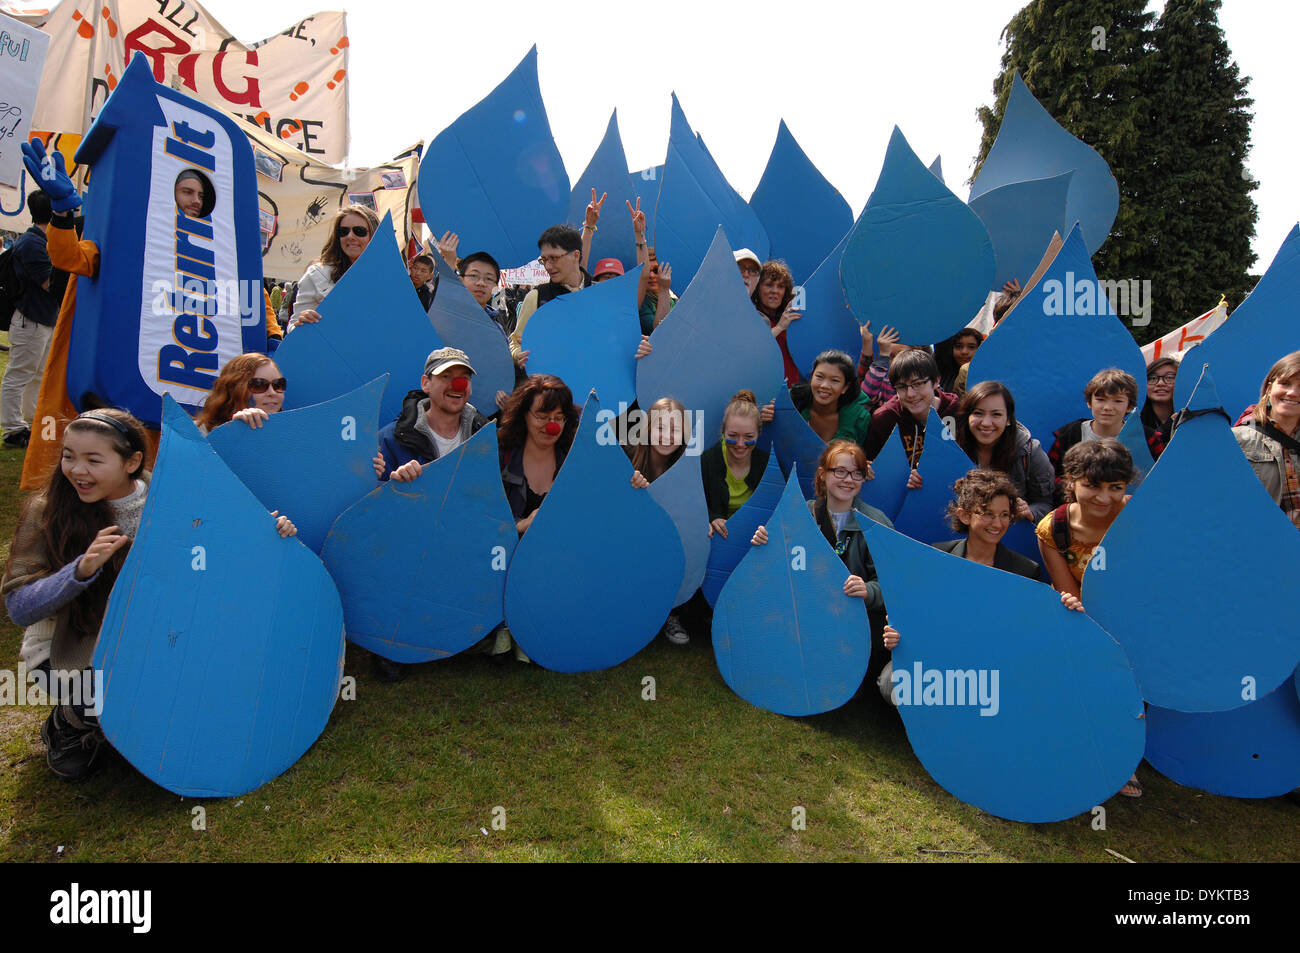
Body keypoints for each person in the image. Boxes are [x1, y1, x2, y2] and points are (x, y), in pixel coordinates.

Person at [0, 409, 295, 780]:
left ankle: (134, 714)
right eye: (69, 456)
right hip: (72, 645)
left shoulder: (168, 493)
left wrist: (265, 528)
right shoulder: (47, 511)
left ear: (132, 462)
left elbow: (212, 542)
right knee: (114, 699)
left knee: (214, 684)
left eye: (93, 460)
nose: (76, 470)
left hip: (154, 633)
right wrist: (78, 571)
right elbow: (19, 608)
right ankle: (68, 727)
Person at [750, 440, 893, 687]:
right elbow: (778, 567)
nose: (848, 479)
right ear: (823, 474)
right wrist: (764, 543)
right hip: (807, 610)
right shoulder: (800, 513)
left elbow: (895, 585)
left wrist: (867, 590)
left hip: (853, 620)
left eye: (856, 473)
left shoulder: (877, 524)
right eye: (840, 471)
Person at [625, 396, 693, 644]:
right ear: (648, 429)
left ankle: (670, 614)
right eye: (661, 428)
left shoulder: (687, 467)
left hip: (669, 542)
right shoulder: (627, 458)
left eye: (675, 429)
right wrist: (631, 488)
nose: (667, 436)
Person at [1036, 439, 1133, 602]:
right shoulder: (1054, 529)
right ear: (1071, 481)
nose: (1103, 498)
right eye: (1093, 486)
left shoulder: (1136, 516)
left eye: (1115, 487)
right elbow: (1071, 595)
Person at [373, 347, 488, 482]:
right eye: (446, 376)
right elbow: (374, 495)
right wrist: (398, 484)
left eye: (464, 378)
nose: (458, 385)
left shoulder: (487, 437)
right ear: (425, 383)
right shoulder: (390, 440)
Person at [2, 191, 62, 449]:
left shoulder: (42, 241)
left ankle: (29, 420)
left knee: (37, 374)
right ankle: (13, 429)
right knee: (19, 374)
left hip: (43, 319)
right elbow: (50, 284)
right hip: (31, 319)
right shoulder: (33, 244)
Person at [1047, 368, 1163, 500]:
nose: (1107, 407)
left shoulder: (1147, 438)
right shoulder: (1069, 435)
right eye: (1101, 399)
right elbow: (1049, 477)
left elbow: (1164, 477)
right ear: (1089, 402)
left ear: (1129, 406)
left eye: (1118, 401)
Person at [859, 348, 962, 490]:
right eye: (901, 387)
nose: (911, 394)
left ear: (936, 381)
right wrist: (865, 467)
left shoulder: (959, 413)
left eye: (918, 384)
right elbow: (869, 465)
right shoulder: (884, 419)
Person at [954, 381, 1054, 522]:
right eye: (978, 413)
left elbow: (1046, 504)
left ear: (1008, 419)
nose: (986, 423)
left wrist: (1030, 512)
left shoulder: (1029, 452)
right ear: (967, 415)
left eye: (996, 414)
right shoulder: (952, 445)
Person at [933, 469, 1043, 579]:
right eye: (988, 514)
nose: (997, 524)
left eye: (1004, 515)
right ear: (965, 516)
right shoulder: (937, 556)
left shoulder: (1026, 572)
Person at [1233, 350, 1300, 531]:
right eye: (1285, 383)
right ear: (1270, 387)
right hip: (1259, 549)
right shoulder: (1236, 440)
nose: (1293, 393)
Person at [510, 225, 592, 368]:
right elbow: (516, 342)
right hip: (551, 384)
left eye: (554, 258)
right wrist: (518, 355)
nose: (548, 266)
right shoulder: (536, 297)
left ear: (576, 255)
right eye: (544, 260)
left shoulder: (598, 293)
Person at [288, 204, 380, 329]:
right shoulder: (316, 275)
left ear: (374, 236)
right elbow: (293, 328)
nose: (350, 236)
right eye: (344, 231)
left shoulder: (389, 278)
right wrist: (301, 323)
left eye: (359, 231)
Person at [700, 390, 775, 538]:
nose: (740, 444)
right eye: (733, 436)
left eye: (748, 437)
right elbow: (693, 504)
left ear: (758, 434)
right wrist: (712, 518)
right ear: (723, 432)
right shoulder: (707, 461)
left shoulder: (766, 465)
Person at [789, 349, 874, 445]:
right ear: (811, 377)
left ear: (845, 387)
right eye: (819, 377)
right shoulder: (789, 401)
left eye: (834, 380)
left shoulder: (859, 419)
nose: (824, 385)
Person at [193, 353, 286, 434]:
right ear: (234, 389)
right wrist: (235, 430)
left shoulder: (291, 434)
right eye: (259, 385)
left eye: (278, 384)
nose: (272, 393)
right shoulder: (197, 432)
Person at [751, 260, 802, 388]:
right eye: (769, 285)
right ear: (757, 288)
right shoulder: (750, 316)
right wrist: (779, 327)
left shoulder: (792, 318)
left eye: (780, 286)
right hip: (763, 393)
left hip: (793, 392)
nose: (775, 291)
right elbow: (751, 349)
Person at [636, 249, 675, 334]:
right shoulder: (640, 303)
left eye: (656, 270)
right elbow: (660, 332)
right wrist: (664, 288)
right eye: (647, 271)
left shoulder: (675, 301)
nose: (651, 275)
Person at [1140, 357, 1178, 444]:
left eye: (1169, 377)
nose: (1160, 383)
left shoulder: (1191, 418)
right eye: (1153, 378)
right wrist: (1168, 427)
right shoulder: (1133, 420)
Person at [935, 328, 984, 394]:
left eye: (971, 347)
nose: (964, 352)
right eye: (959, 346)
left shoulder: (985, 378)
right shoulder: (942, 375)